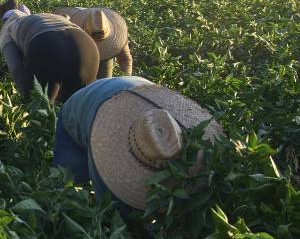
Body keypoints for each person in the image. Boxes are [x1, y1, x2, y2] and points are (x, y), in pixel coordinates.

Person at [53, 76, 223, 211]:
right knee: (70, 181)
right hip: (79, 105)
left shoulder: (166, 126)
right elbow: (109, 208)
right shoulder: (106, 147)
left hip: (140, 91)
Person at [0, 0, 99, 103]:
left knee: (42, 110)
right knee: (76, 107)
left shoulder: (6, 28)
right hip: (87, 46)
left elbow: (16, 68)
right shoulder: (43, 17)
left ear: (4, 19)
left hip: (48, 46)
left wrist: (26, 96)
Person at [54, 6, 132, 79]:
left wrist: (124, 78)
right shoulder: (70, 30)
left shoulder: (117, 38)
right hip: (75, 55)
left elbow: (125, 60)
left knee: (104, 79)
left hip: (103, 61)